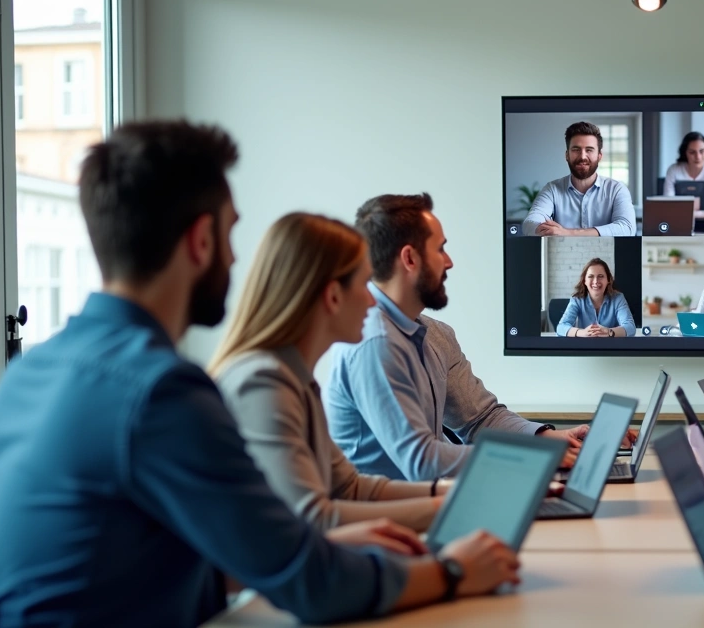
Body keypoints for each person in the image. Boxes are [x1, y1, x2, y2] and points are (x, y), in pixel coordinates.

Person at [0, 121, 519, 626]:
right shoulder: (162, 392)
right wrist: (454, 572)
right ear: (201, 241)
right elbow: (310, 584)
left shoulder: (29, 372)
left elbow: (143, 566)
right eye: (231, 233)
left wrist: (324, 544)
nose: (233, 257)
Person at [326, 193, 636, 482]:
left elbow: (480, 419)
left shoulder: (437, 335)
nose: (449, 262)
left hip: (428, 499)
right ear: (410, 259)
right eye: (440, 249)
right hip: (386, 514)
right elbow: (422, 460)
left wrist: (551, 438)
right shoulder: (375, 342)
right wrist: (534, 457)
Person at [210, 213, 453, 533]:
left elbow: (350, 487)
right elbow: (313, 519)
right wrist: (445, 508)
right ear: (333, 296)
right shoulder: (263, 384)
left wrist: (447, 494)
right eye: (364, 284)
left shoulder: (296, 379)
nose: (372, 300)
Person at [521, 121, 635, 236]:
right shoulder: (552, 189)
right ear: (567, 155)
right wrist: (544, 230)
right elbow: (530, 223)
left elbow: (627, 228)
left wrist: (568, 233)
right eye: (576, 149)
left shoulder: (617, 189)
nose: (582, 156)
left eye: (589, 150)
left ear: (599, 156)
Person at [556, 258, 636, 337]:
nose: (596, 281)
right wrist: (582, 333)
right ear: (584, 281)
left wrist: (609, 332)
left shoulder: (618, 298)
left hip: (611, 345)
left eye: (600, 276)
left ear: (608, 280)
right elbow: (561, 327)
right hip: (585, 345)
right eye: (591, 276)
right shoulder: (577, 300)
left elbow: (630, 327)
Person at [663, 131, 704, 196]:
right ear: (685, 153)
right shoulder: (674, 170)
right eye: (692, 152)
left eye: (702, 151)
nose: (698, 157)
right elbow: (668, 198)